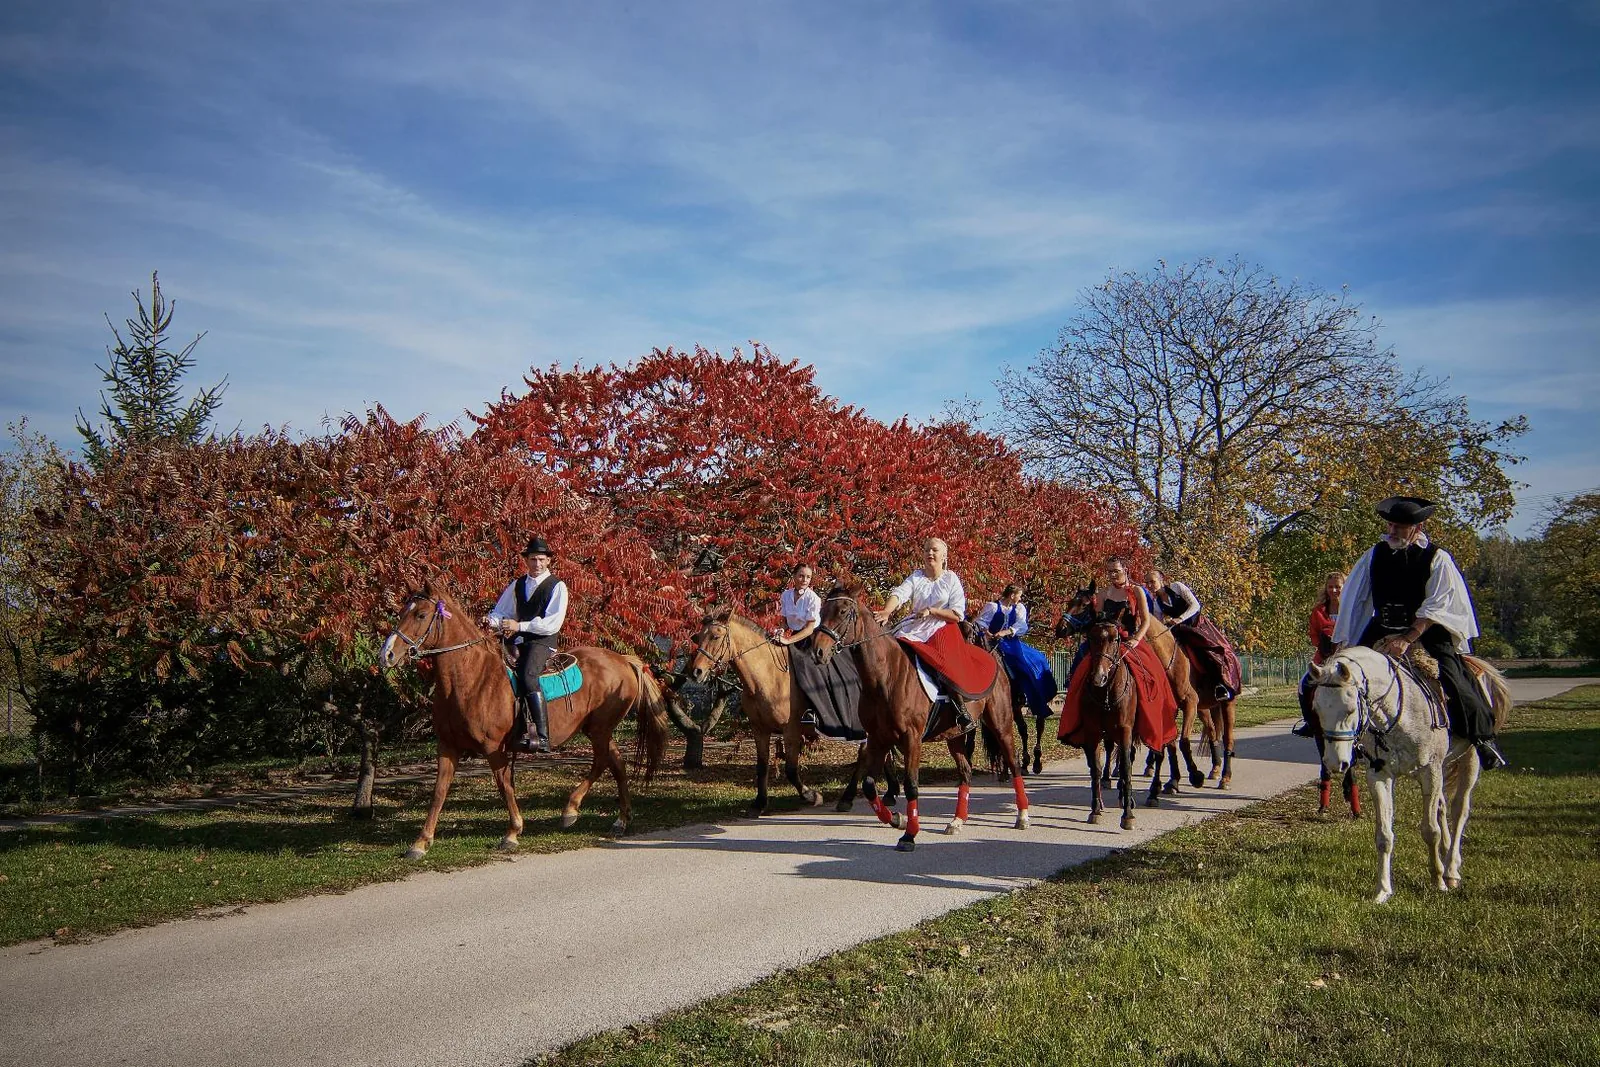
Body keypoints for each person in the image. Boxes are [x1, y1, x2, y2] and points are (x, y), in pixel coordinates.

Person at [1332, 496, 1507, 770]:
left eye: (1399, 527)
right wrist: (1345, 642)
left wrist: (1408, 638)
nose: (1391, 532)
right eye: (1390, 525)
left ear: (1418, 527)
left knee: (1454, 678)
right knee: (1339, 673)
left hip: (1425, 631)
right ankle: (1339, 737)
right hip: (1382, 625)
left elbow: (1437, 605)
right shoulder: (1374, 554)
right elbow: (1356, 600)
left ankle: (1483, 739)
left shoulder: (1437, 558)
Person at [1056, 556, 1180, 752]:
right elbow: (1097, 621)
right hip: (1107, 642)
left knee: (1153, 673)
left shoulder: (1138, 590)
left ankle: (1152, 716)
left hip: (1130, 640)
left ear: (1126, 570)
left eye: (1116, 571)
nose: (1113, 575)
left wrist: (1135, 640)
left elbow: (1146, 621)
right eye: (1110, 571)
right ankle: (1078, 719)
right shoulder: (1104, 593)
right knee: (1080, 670)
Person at [873, 538, 993, 726]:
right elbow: (899, 594)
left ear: (944, 556)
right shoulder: (916, 577)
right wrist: (887, 611)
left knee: (943, 660)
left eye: (934, 550)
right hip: (914, 626)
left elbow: (956, 614)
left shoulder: (950, 578)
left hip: (942, 626)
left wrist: (932, 611)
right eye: (926, 550)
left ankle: (959, 708)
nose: (930, 553)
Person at [485, 535, 569, 753]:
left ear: (549, 561)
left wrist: (519, 626)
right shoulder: (517, 584)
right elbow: (501, 612)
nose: (537, 564)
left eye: (541, 559)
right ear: (526, 560)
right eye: (533, 559)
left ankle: (542, 736)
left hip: (542, 642)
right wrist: (489, 621)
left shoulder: (557, 586)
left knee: (528, 675)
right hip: (517, 641)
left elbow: (552, 623)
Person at [1147, 568, 1242, 701]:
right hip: (1180, 631)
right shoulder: (1157, 603)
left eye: (1152, 581)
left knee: (1211, 651)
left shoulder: (1177, 587)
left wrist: (1180, 618)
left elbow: (1195, 605)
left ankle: (1221, 685)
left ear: (1162, 580)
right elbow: (1159, 624)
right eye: (1147, 583)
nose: (1150, 585)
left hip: (1198, 627)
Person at [975, 584, 1059, 720]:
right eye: (1019, 595)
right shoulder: (992, 606)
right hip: (992, 643)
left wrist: (1006, 632)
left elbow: (1022, 625)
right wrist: (988, 633)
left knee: (1035, 661)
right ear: (1012, 595)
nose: (1020, 598)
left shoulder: (1019, 608)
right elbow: (980, 622)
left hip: (1011, 643)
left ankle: (1029, 697)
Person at [1293, 571, 1344, 737]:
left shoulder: (1351, 609)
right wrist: (1322, 646)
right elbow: (1313, 633)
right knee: (1304, 685)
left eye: (1338, 586)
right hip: (1324, 657)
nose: (1334, 590)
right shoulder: (1319, 611)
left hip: (1347, 656)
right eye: (1331, 587)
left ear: (1344, 587)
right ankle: (1310, 721)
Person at [774, 564, 821, 647]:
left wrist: (788, 640)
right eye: (801, 576)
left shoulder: (813, 599)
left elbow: (809, 629)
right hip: (795, 634)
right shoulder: (786, 595)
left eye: (808, 577)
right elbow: (785, 621)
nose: (805, 580)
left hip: (811, 637)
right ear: (794, 576)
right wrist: (781, 630)